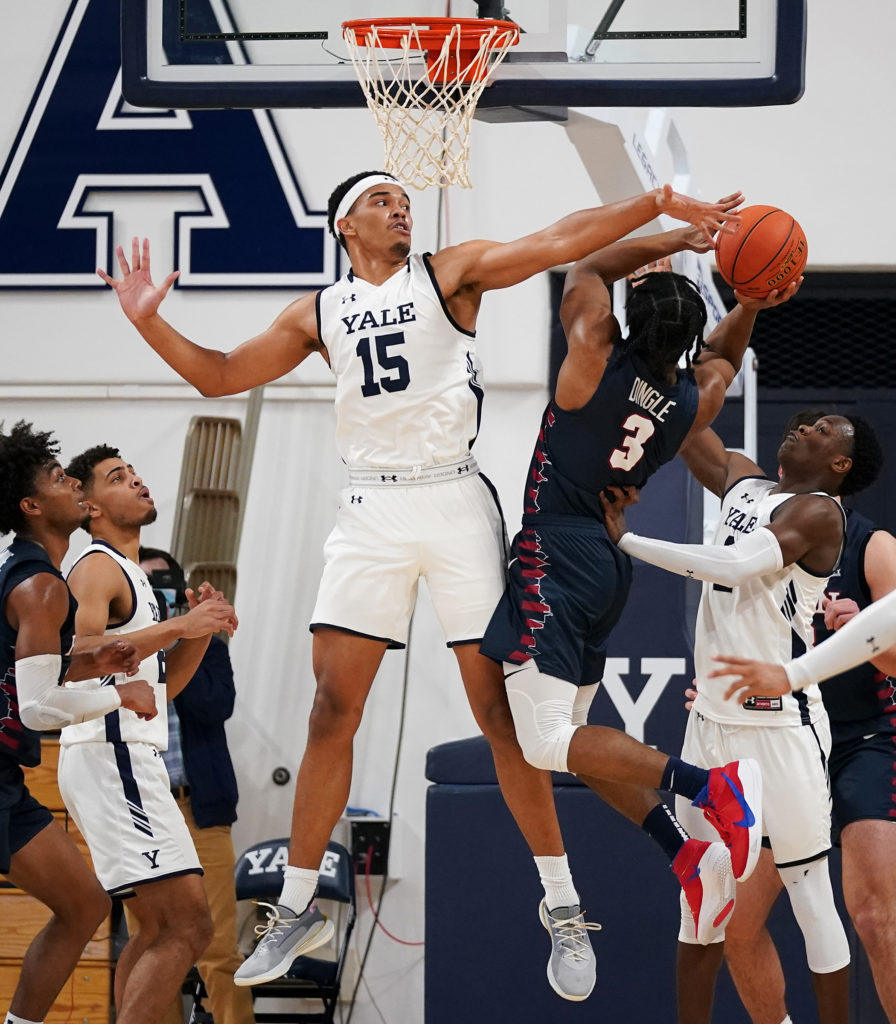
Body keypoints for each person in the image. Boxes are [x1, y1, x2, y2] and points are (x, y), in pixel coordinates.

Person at [98, 169, 742, 998]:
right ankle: (294, 907)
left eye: (404, 199)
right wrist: (152, 324)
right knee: (332, 708)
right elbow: (219, 374)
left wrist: (656, 209)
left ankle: (563, 905)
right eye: (380, 200)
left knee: (501, 719)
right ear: (344, 226)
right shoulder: (317, 312)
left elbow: (561, 243)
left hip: (453, 499)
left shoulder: (449, 274)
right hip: (368, 509)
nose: (399, 207)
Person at [479, 228, 800, 959]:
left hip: (554, 551)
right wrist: (748, 298)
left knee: (548, 743)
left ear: (624, 319)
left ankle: (708, 788)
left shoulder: (591, 355)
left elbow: (588, 261)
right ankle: (682, 852)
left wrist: (660, 236)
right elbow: (721, 360)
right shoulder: (694, 400)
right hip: (604, 569)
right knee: (586, 747)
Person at [600, 409, 884, 1024]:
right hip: (710, 726)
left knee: (810, 896)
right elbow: (685, 426)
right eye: (807, 422)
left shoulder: (820, 514)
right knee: (700, 899)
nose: (806, 427)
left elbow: (732, 566)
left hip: (784, 728)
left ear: (839, 464)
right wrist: (660, 374)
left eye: (824, 430)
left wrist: (627, 539)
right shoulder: (746, 486)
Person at [59, 445, 239, 1024]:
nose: (137, 481)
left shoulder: (134, 574)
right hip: (110, 756)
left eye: (135, 473)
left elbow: (167, 691)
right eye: (118, 478)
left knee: (161, 928)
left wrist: (198, 633)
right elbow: (74, 656)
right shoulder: (96, 566)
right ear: (88, 506)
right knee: (191, 926)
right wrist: (179, 624)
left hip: (129, 757)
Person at [0, 421, 157, 1024]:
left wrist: (92, 659)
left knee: (84, 903)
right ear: (33, 505)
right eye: (58, 477)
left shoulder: (37, 571)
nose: (71, 482)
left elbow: (33, 670)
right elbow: (38, 708)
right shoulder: (42, 587)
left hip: (7, 782)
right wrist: (121, 695)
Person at [138, 545, 254, 1024]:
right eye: (147, 587)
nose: (158, 596)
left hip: (198, 808)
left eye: (165, 585)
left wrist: (180, 642)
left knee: (219, 951)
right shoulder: (117, 650)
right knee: (150, 946)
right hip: (141, 813)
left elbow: (214, 708)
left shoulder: (208, 647)